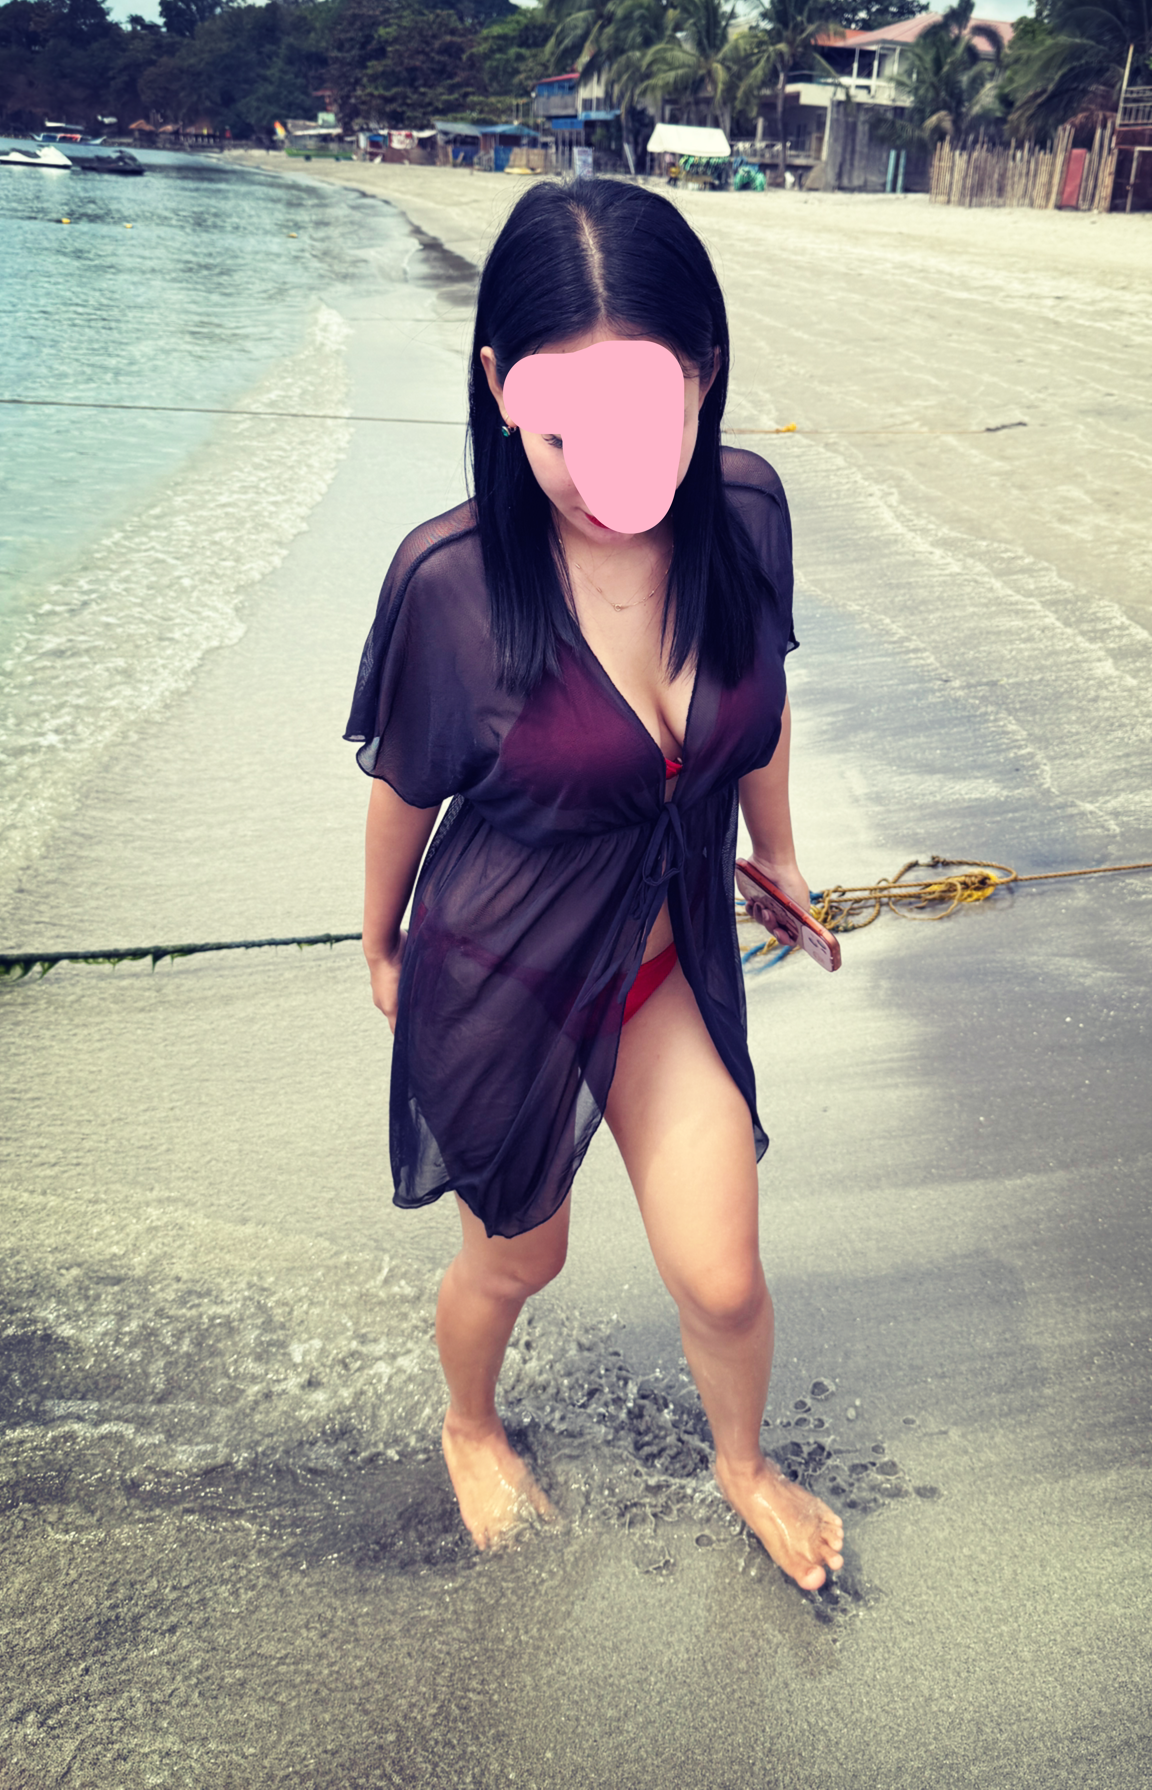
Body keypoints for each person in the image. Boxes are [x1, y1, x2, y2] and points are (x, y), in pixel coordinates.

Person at [346, 177, 844, 1592]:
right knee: (518, 1266)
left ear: (703, 378)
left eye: (646, 419)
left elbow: (761, 695)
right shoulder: (451, 582)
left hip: (664, 960)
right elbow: (404, 786)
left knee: (724, 1278)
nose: (603, 468)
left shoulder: (744, 513)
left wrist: (779, 853)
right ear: (501, 386)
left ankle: (742, 1464)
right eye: (565, 431)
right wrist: (380, 947)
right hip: (502, 977)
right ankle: (469, 1423)